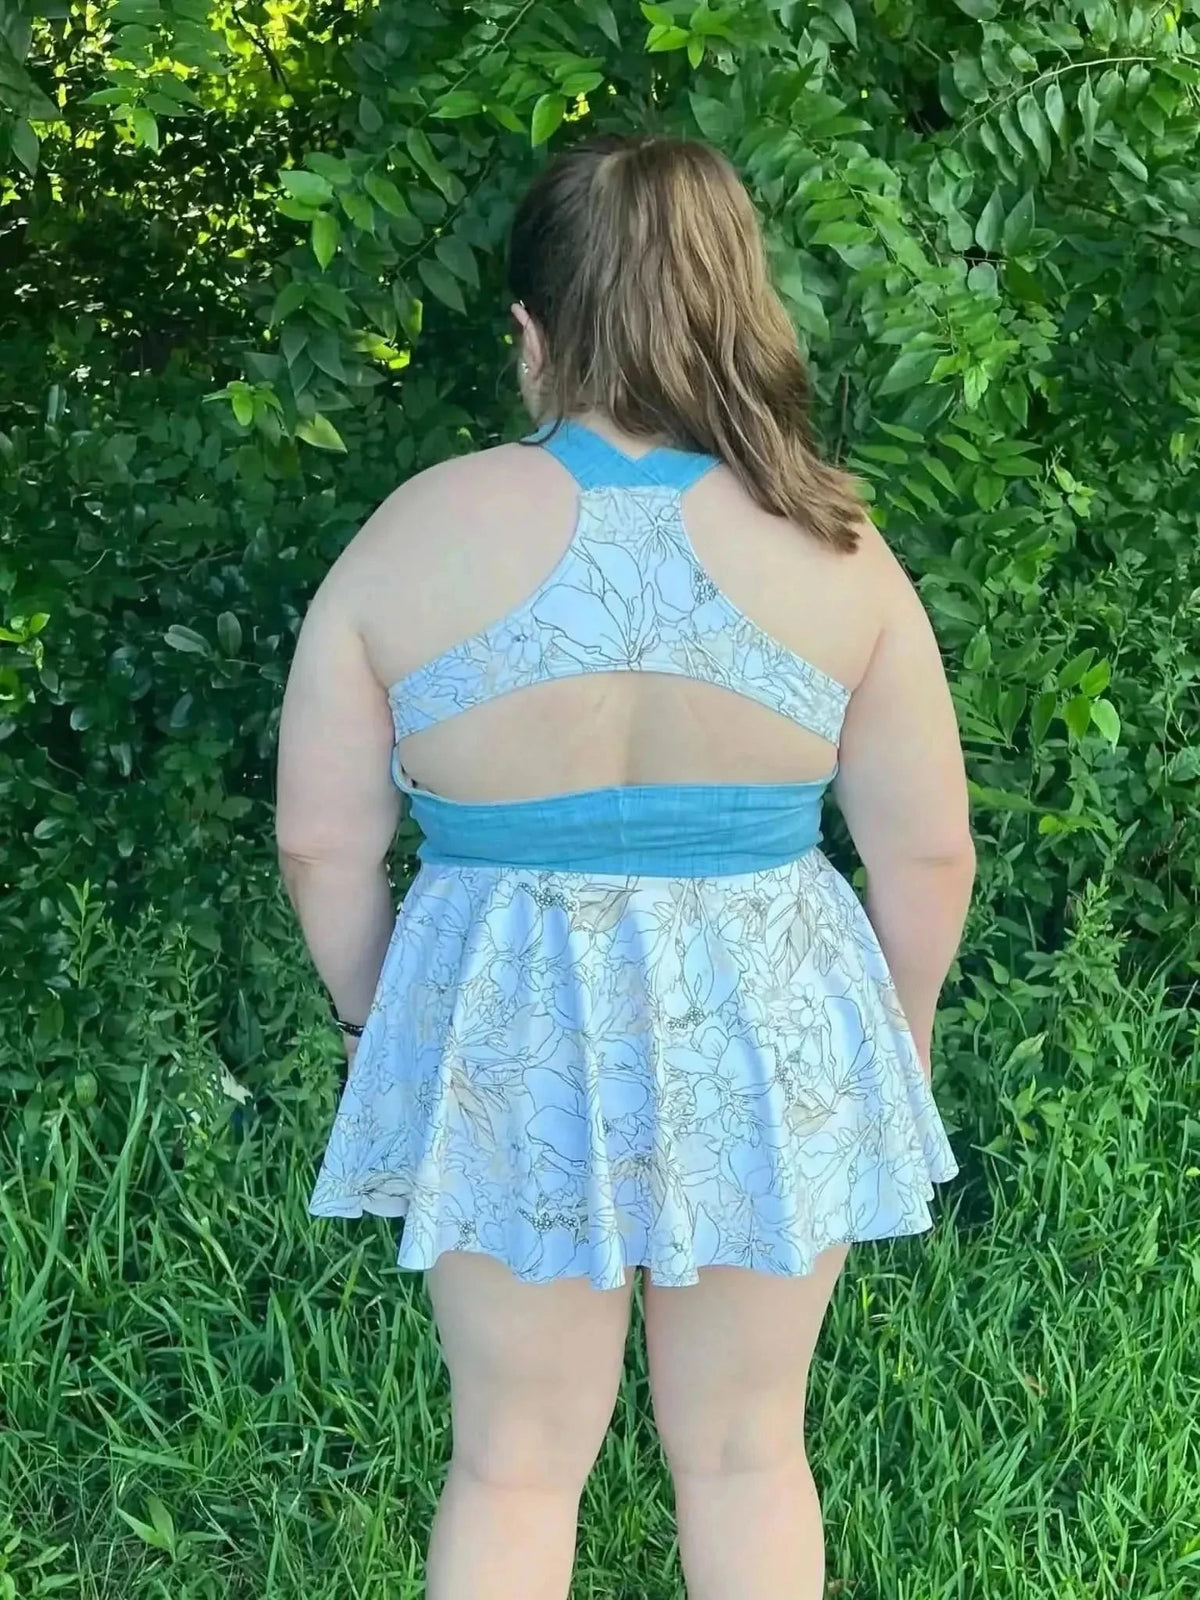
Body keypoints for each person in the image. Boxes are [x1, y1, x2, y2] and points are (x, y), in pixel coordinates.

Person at [276, 134, 975, 1600]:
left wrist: (369, 1025)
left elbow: (323, 837)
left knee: (513, 1463)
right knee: (745, 1455)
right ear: (745, 309)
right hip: (767, 1015)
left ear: (530, 333)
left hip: (508, 1016)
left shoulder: (419, 532)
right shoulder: (836, 546)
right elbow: (924, 847)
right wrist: (894, 1036)